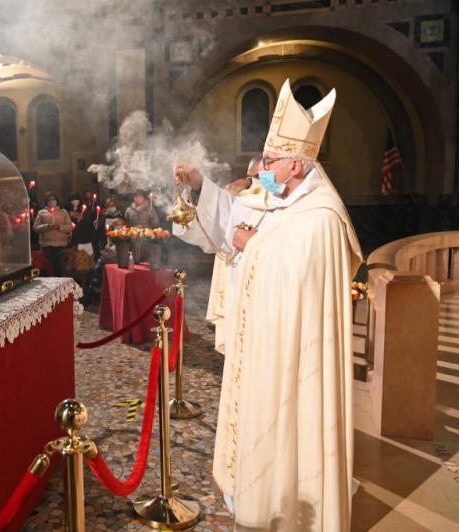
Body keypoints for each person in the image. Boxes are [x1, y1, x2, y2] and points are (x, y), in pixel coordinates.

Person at [172, 79, 361, 530]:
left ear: (297, 164)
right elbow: (231, 220)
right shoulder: (284, 199)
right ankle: (255, 487)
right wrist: (200, 185)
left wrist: (251, 246)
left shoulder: (322, 216)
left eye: (273, 160)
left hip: (296, 352)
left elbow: (296, 273)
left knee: (290, 421)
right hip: (263, 339)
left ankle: (290, 498)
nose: (265, 168)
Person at [33, 192, 72, 276]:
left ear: (57, 201)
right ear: (46, 201)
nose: (52, 202)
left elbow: (69, 227)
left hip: (60, 245)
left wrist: (59, 227)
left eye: (53, 200)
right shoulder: (41, 212)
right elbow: (35, 228)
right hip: (47, 245)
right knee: (48, 269)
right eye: (50, 200)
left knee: (59, 269)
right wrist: (46, 226)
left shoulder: (63, 212)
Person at [124, 190, 159, 263]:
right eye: (135, 196)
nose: (137, 198)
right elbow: (126, 225)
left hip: (147, 239)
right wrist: (132, 230)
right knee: (135, 262)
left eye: (139, 196)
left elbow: (155, 224)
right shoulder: (128, 210)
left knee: (146, 263)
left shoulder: (150, 208)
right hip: (133, 239)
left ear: (143, 198)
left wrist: (153, 217)